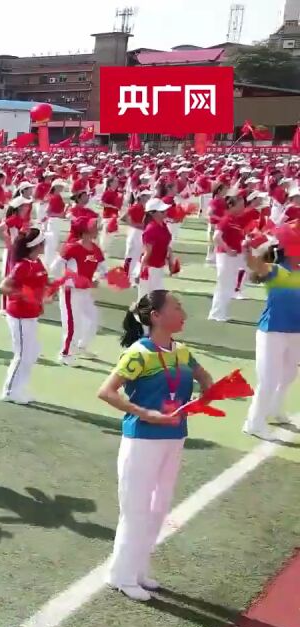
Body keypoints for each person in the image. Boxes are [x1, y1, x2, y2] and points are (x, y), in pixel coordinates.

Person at [97, 290, 214, 602]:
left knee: (158, 508)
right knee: (135, 510)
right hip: (142, 440)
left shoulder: (183, 352)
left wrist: (207, 392)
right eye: (177, 307)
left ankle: (137, 569)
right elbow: (107, 392)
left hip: (175, 438)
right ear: (156, 316)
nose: (183, 313)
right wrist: (145, 413)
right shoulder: (139, 353)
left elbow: (205, 378)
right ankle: (120, 575)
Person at [242, 239, 300, 438]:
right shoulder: (275, 270)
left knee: (290, 373)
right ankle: (254, 422)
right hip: (272, 331)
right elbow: (253, 265)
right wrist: (247, 250)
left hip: (296, 332)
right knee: (268, 379)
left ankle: (275, 409)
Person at [0, 229, 49, 405]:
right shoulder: (22, 266)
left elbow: (40, 284)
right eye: (43, 242)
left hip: (32, 315)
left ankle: (19, 388)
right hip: (19, 315)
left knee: (32, 352)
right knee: (22, 354)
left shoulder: (37, 263)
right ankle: (9, 390)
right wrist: (23, 294)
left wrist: (44, 296)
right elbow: (4, 287)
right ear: (37, 245)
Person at [54, 217, 105, 365]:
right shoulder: (71, 248)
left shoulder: (96, 249)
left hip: (85, 292)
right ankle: (64, 353)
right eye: (93, 226)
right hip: (71, 291)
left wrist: (97, 278)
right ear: (84, 232)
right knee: (72, 324)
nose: (97, 229)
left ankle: (80, 346)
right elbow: (55, 268)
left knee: (93, 319)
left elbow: (103, 269)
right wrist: (72, 280)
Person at [208, 194, 247, 322]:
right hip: (225, 256)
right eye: (240, 205)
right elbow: (216, 237)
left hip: (234, 256)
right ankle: (216, 314)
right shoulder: (226, 220)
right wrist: (228, 249)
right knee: (224, 284)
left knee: (229, 285)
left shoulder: (235, 220)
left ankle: (221, 312)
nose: (243, 207)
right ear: (232, 206)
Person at [136, 197, 177, 297]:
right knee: (145, 298)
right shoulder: (151, 229)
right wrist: (139, 272)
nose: (165, 212)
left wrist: (171, 261)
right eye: (162, 211)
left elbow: (167, 246)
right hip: (149, 269)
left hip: (159, 267)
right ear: (152, 213)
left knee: (156, 298)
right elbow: (147, 252)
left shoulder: (163, 225)